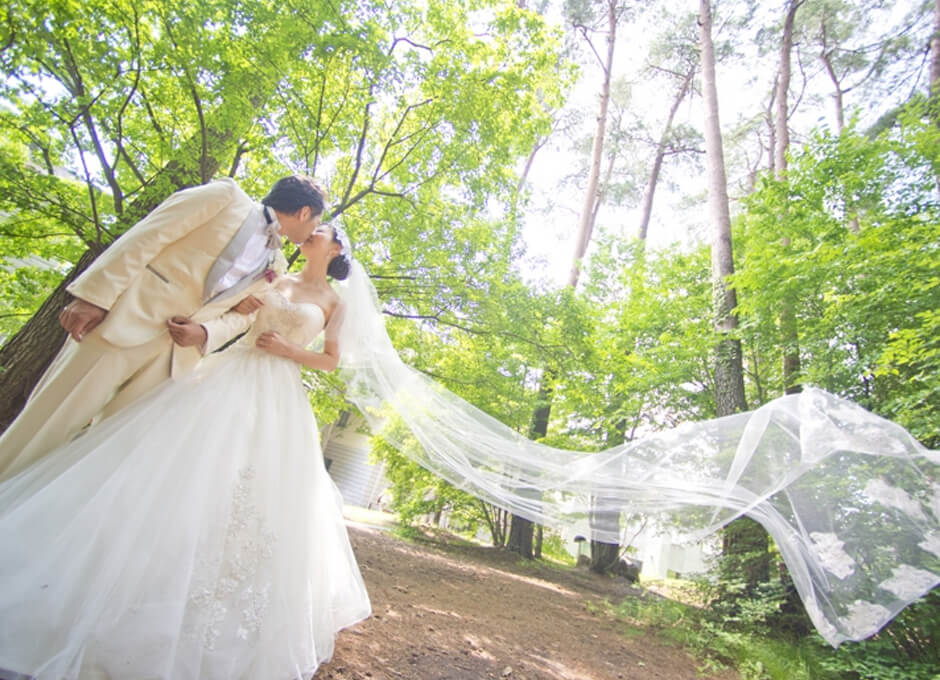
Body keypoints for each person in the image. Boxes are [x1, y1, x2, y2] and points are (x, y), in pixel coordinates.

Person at [0, 223, 370, 680]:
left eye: (321, 232)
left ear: (335, 248)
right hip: (227, 374)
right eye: (310, 228)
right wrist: (228, 316)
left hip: (278, 392)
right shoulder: (276, 275)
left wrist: (291, 350)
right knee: (180, 460)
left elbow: (330, 360)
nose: (311, 233)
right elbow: (234, 314)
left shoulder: (336, 303)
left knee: (252, 486)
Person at [0, 174, 326, 482]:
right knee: (50, 421)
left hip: (174, 358)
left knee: (106, 451)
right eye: (315, 222)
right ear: (303, 212)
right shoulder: (225, 197)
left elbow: (245, 316)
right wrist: (93, 297)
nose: (315, 230)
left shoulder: (277, 265)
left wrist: (207, 333)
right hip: (124, 322)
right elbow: (147, 237)